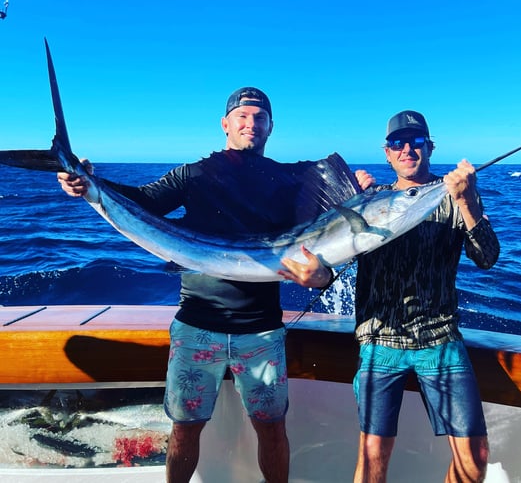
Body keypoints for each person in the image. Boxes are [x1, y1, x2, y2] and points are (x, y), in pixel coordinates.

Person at [57, 87, 335, 483]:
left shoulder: (288, 181)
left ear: (271, 128)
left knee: (272, 428)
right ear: (225, 124)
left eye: (260, 118)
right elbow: (142, 201)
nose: (250, 124)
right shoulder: (195, 173)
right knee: (184, 429)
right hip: (196, 327)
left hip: (261, 330)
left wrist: (323, 276)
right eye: (242, 116)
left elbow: (320, 253)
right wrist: (87, 183)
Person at [351, 110, 500, 482]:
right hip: (379, 338)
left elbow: (487, 258)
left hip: (440, 338)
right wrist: (348, 201)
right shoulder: (371, 200)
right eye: (397, 143)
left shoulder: (453, 197)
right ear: (386, 153)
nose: (407, 149)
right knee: (372, 458)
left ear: (429, 148)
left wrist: (468, 201)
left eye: (416, 142)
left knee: (475, 458)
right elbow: (326, 259)